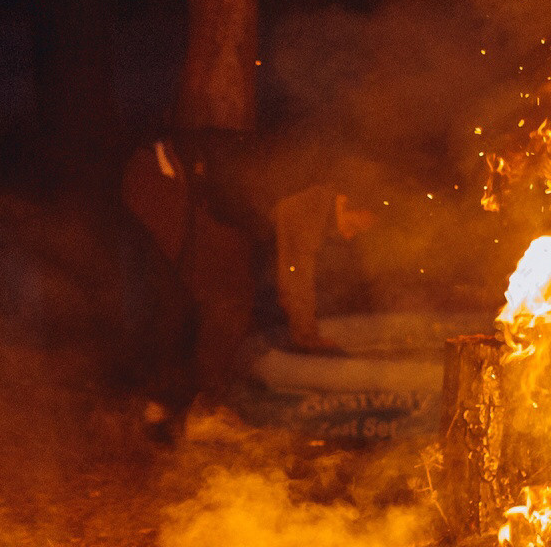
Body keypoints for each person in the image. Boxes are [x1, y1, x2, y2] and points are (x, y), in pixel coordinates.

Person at [120, 127, 383, 426]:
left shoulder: (315, 185)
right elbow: (295, 270)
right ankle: (178, 407)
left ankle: (185, 402)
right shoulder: (312, 201)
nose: (349, 236)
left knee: (229, 292)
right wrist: (307, 335)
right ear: (343, 201)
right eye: (353, 226)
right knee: (215, 297)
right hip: (163, 175)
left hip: (183, 183)